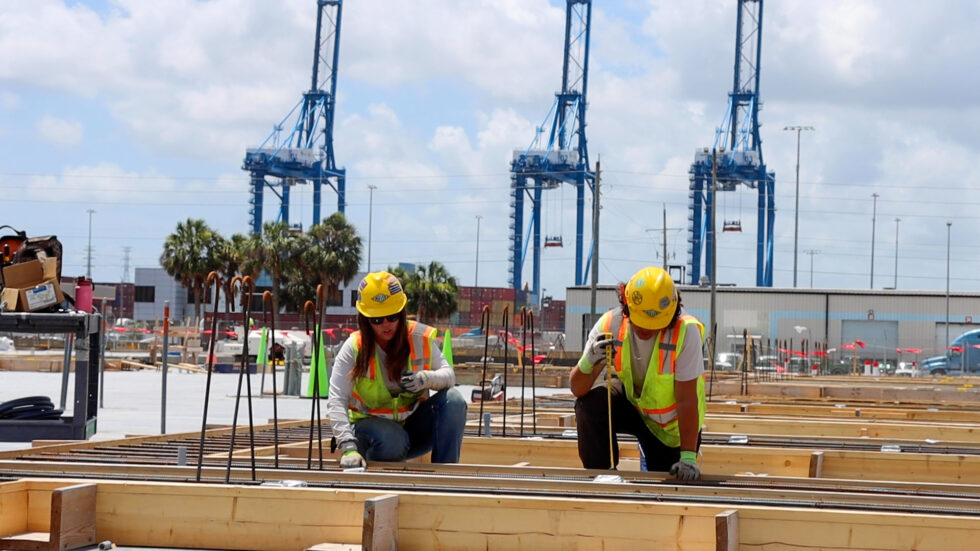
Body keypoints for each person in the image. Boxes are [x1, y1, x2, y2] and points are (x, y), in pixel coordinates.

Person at [570, 266, 705, 480]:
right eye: (641, 320)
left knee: (665, 491)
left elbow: (687, 399)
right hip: (633, 406)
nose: (646, 329)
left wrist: (688, 457)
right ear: (626, 306)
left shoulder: (685, 332)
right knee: (590, 403)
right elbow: (578, 389)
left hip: (669, 432)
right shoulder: (610, 325)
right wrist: (588, 362)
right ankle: (601, 476)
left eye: (654, 324)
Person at [328, 271, 467, 468]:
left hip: (411, 432)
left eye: (392, 317)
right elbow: (336, 399)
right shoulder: (354, 348)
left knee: (454, 401)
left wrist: (425, 379)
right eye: (377, 319)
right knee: (392, 438)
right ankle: (377, 470)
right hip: (370, 435)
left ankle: (444, 477)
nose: (386, 324)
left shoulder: (419, 338)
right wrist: (348, 446)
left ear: (401, 313)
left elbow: (449, 376)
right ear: (365, 320)